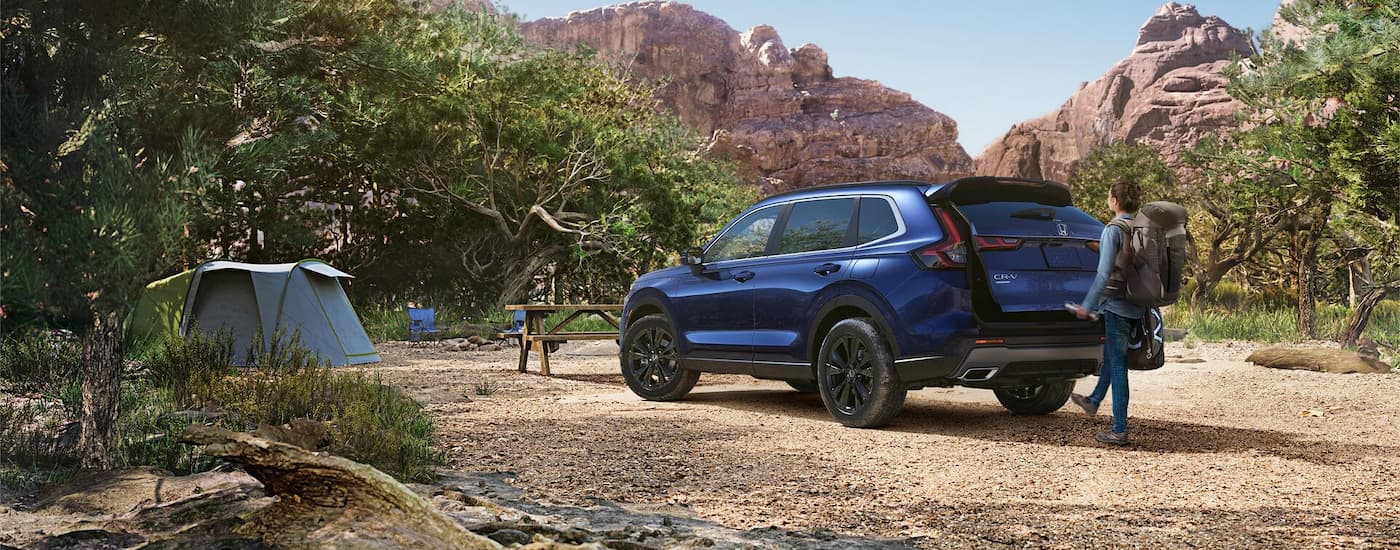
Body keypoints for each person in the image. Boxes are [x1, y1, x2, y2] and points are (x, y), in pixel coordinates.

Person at [1067, 180, 1144, 446]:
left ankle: (1119, 430)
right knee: (1114, 355)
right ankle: (1093, 400)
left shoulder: (1113, 230)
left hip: (1116, 304)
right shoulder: (1142, 228)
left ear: (1114, 201)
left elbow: (1103, 274)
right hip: (1139, 303)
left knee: (1119, 364)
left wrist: (1086, 306)